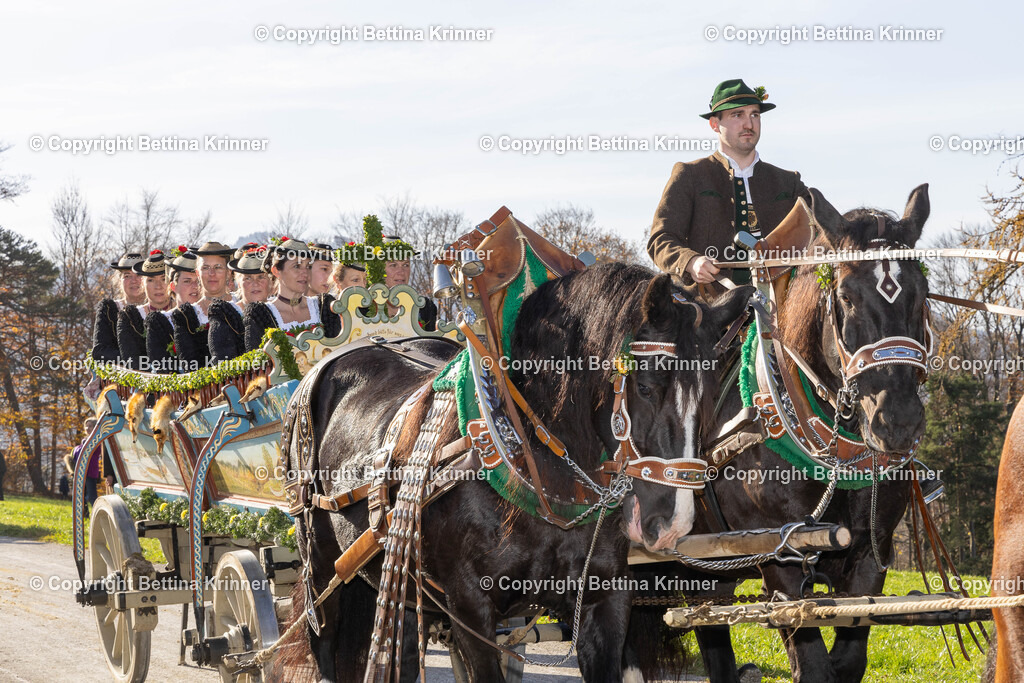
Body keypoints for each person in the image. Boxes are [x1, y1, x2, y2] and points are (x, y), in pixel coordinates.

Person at [647, 79, 809, 293]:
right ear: (715, 124)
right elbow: (660, 239)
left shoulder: (789, 182)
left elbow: (823, 234)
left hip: (782, 309)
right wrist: (690, 261)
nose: (749, 124)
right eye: (737, 115)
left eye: (755, 115)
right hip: (708, 311)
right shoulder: (690, 175)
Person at [243, 237, 341, 351]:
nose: (305, 273)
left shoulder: (323, 307)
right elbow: (257, 363)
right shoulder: (261, 315)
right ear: (276, 271)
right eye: (297, 266)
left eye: (308, 266)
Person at [209, 246, 275, 362]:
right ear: (238, 282)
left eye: (261, 277)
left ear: (270, 281)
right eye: (248, 278)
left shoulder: (280, 310)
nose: (255, 283)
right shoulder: (225, 314)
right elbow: (222, 362)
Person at [117, 250, 174, 370]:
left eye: (163, 279)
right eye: (151, 280)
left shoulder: (185, 314)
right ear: (143, 283)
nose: (158, 286)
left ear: (171, 282)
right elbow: (131, 360)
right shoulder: (131, 318)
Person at [91, 252, 145, 363]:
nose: (134, 280)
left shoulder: (158, 307)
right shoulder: (109, 309)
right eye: (127, 276)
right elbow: (100, 350)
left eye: (138, 275)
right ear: (119, 281)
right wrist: (136, 362)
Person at [382, 235, 437, 331]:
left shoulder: (425, 307)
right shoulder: (363, 307)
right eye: (393, 265)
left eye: (406, 265)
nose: (401, 271)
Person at [192, 241, 235, 316]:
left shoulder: (241, 308)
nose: (212, 273)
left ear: (228, 272)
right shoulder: (188, 316)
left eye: (218, 267)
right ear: (198, 273)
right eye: (205, 268)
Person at [69, 417, 102, 514]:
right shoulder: (85, 440)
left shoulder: (97, 439)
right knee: (81, 495)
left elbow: (88, 451)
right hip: (81, 471)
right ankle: (85, 514)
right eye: (86, 426)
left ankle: (98, 514)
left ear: (95, 427)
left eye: (90, 426)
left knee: (92, 496)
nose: (87, 428)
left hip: (90, 471)